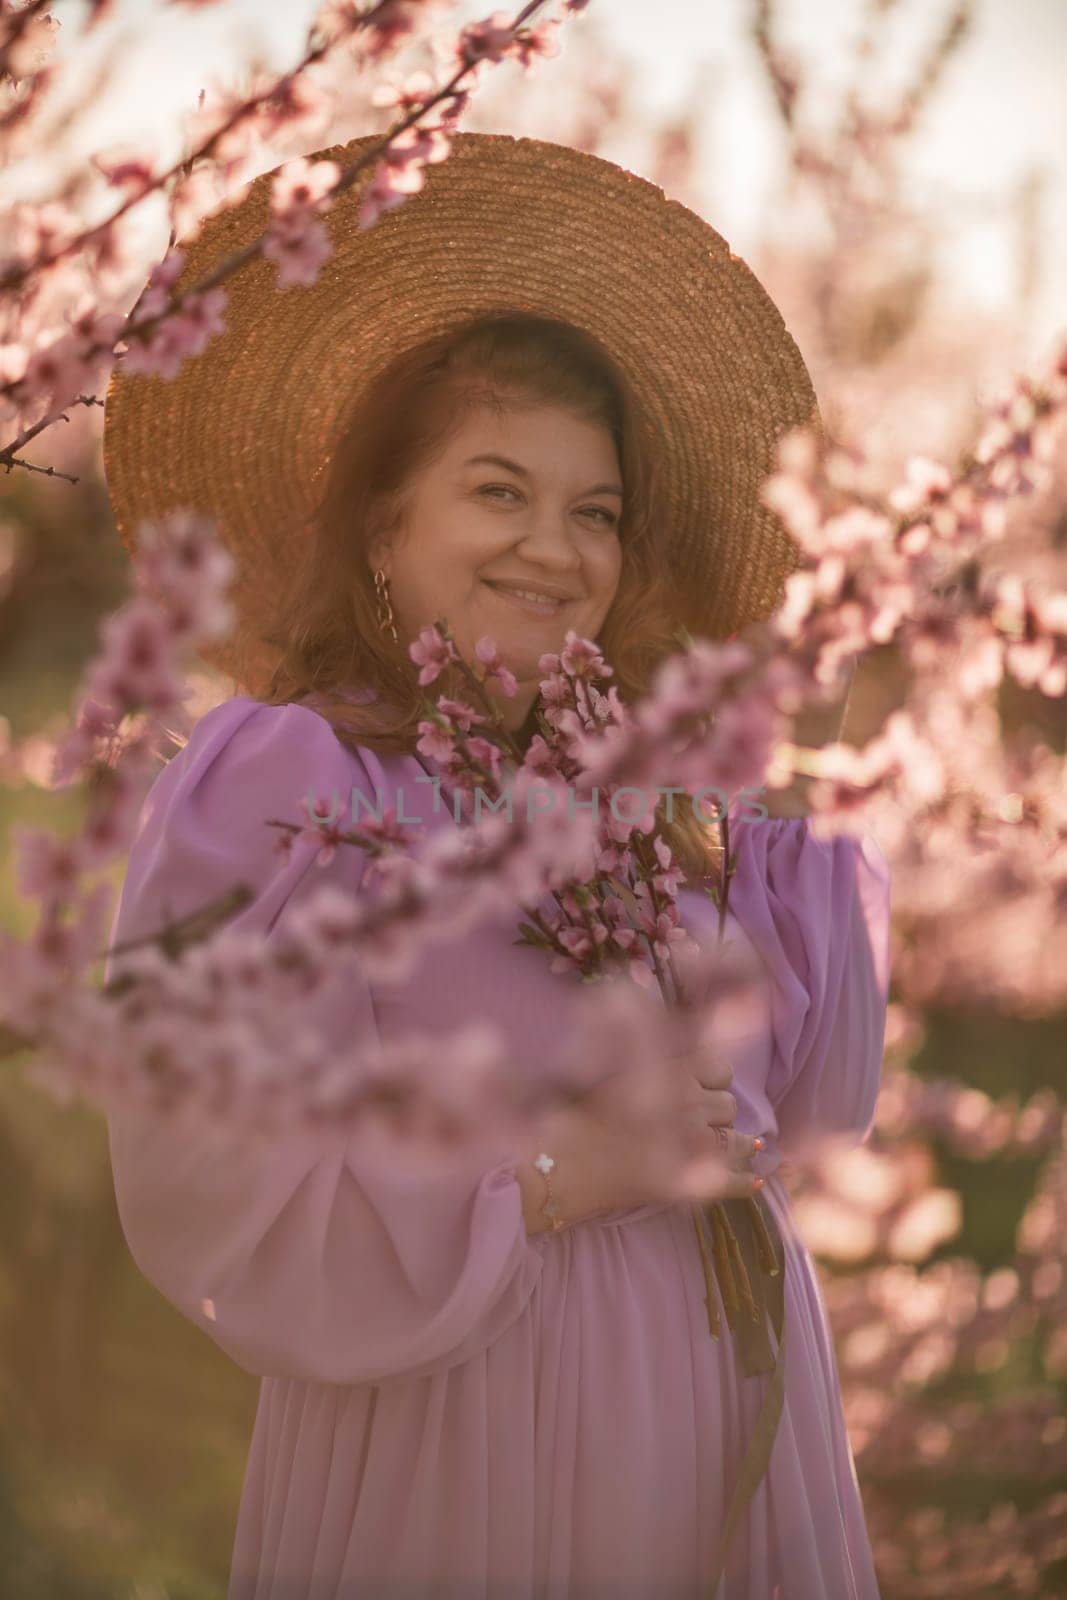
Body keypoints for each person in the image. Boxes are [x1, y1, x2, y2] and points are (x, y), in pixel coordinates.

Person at [102, 134, 891, 1599]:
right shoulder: (296, 782)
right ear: (386, 525)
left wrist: (821, 771)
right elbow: (197, 1174)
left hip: (730, 1432)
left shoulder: (659, 802)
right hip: (467, 1433)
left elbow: (827, 1110)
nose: (557, 549)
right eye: (499, 492)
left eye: (594, 511)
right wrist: (552, 1172)